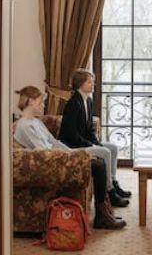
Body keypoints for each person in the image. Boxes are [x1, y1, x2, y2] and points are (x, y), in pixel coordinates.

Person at [13, 86, 126, 229]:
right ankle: (102, 216)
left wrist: (75, 154)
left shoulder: (36, 122)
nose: (44, 105)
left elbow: (54, 142)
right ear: (30, 102)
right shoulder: (24, 126)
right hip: (50, 165)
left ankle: (103, 212)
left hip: (58, 158)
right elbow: (44, 151)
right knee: (98, 166)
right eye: (40, 102)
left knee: (98, 161)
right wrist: (73, 158)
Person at [59, 69, 131, 208]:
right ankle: (110, 192)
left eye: (93, 82)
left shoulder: (89, 101)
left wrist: (96, 143)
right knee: (105, 152)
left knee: (112, 148)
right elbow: (71, 134)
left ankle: (113, 182)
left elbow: (89, 129)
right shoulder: (73, 104)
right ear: (80, 84)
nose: (93, 85)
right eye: (89, 82)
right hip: (73, 146)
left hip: (83, 142)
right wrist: (90, 145)